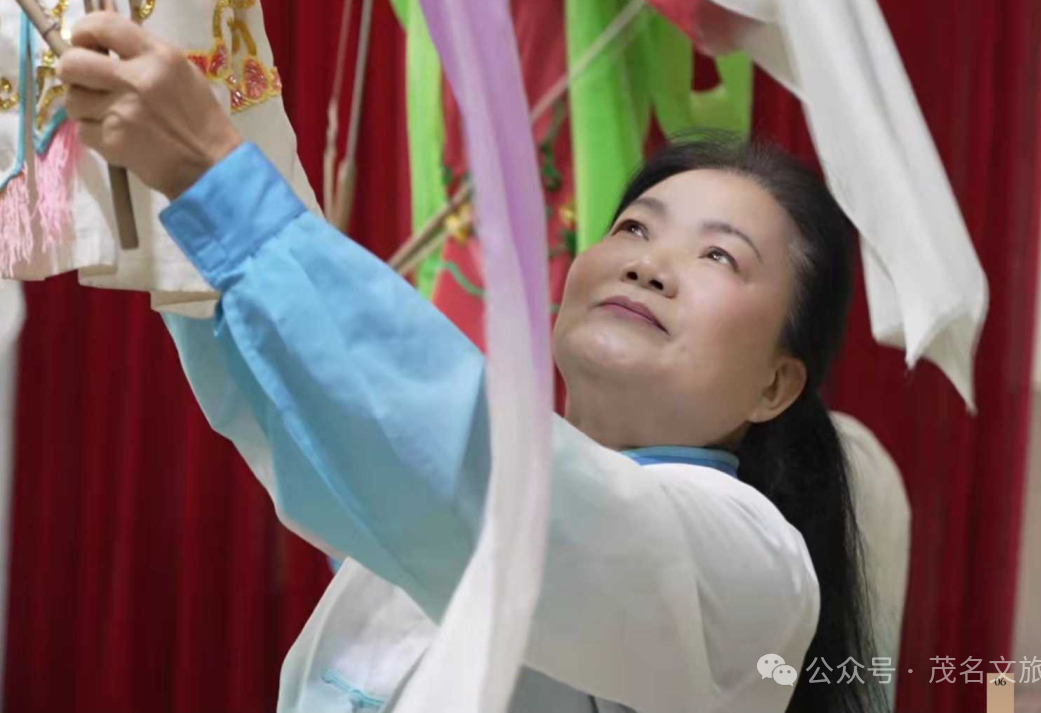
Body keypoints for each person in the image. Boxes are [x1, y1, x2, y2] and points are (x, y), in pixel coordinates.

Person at [57, 11, 883, 713]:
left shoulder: (755, 567)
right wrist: (208, 86)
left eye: (719, 257)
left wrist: (218, 176)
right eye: (634, 227)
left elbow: (493, 487)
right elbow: (291, 387)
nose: (648, 263)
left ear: (777, 383)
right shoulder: (438, 494)